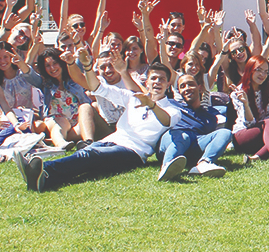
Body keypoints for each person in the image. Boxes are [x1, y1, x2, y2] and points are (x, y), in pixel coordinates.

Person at [18, 61, 182, 191]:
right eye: (154, 78)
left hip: (134, 152)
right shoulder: (133, 98)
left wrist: (151, 105)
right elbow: (98, 88)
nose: (157, 82)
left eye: (162, 79)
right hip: (112, 140)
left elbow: (166, 120)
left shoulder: (172, 109)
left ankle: (42, 169)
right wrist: (88, 67)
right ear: (147, 82)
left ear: (168, 84)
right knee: (88, 162)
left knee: (90, 155)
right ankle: (43, 180)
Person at [158, 74, 232, 177]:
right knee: (184, 136)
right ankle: (167, 166)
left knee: (225, 133)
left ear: (200, 87)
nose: (187, 88)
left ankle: (204, 163)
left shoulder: (209, 116)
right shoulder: (171, 105)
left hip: (193, 145)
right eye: (182, 86)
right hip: (172, 141)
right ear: (179, 91)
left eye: (191, 84)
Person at [32, 48, 94, 148]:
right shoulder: (44, 83)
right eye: (47, 65)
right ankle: (61, 144)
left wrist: (77, 41)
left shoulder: (74, 79)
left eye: (55, 63)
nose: (52, 68)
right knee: (61, 122)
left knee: (86, 123)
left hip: (76, 122)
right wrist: (35, 47)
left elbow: (84, 59)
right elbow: (28, 74)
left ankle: (87, 142)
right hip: (55, 120)